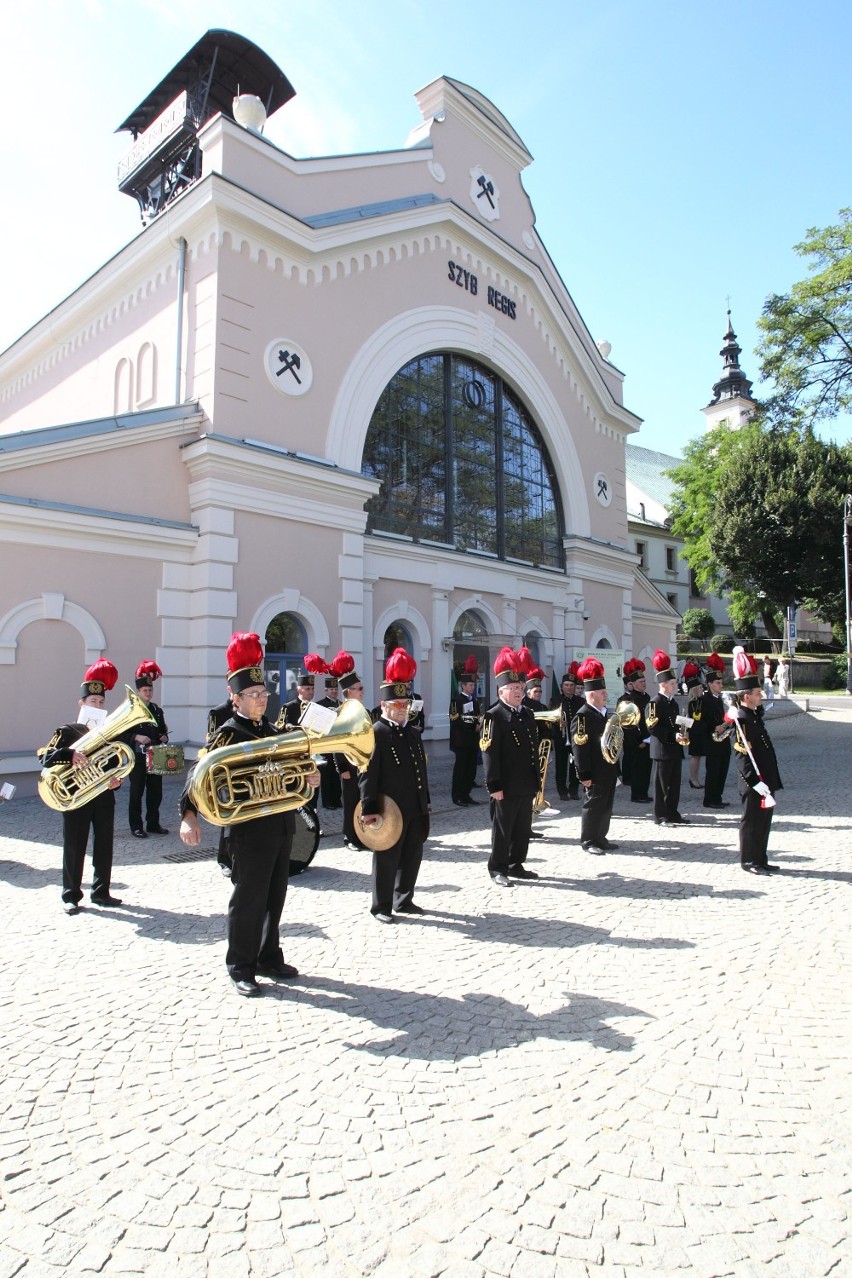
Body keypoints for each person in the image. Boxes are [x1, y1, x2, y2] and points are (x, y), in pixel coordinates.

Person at [179, 632, 319, 996]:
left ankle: (268, 955)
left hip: (280, 825)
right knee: (248, 898)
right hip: (248, 830)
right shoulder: (228, 734)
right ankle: (240, 964)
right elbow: (199, 775)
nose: (261, 700)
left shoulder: (273, 730)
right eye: (253, 696)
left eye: (263, 694)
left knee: (276, 893)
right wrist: (188, 815)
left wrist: (310, 776)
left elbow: (294, 773)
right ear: (235, 698)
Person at [38, 659, 125, 915]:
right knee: (74, 845)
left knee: (104, 844)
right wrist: (69, 754)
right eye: (92, 702)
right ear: (82, 704)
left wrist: (115, 781)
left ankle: (101, 891)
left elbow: (114, 764)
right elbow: (45, 756)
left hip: (102, 796)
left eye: (100, 703)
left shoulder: (107, 734)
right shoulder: (67, 731)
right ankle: (71, 895)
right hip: (75, 798)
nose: (97, 706)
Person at [359, 648, 430, 921]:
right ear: (385, 705)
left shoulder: (412, 733)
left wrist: (425, 801)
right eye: (398, 705)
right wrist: (369, 808)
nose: (403, 709)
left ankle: (404, 898)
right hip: (388, 807)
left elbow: (419, 768)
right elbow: (367, 774)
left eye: (405, 704)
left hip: (413, 805)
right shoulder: (376, 734)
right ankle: (381, 905)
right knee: (387, 857)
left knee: (412, 855)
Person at [480, 647, 540, 886]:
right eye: (513, 688)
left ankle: (516, 863)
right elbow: (489, 753)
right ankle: (497, 867)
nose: (518, 692)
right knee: (503, 828)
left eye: (521, 688)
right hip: (504, 784)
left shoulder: (526, 714)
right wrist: (494, 785)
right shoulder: (493, 716)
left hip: (525, 782)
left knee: (523, 827)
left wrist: (536, 780)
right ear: (501, 690)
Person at [729, 647, 783, 875]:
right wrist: (754, 781)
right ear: (746, 695)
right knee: (751, 822)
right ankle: (748, 860)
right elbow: (742, 756)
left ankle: (761, 858)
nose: (761, 695)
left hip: (766, 778)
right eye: (758, 692)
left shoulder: (753, 715)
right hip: (753, 782)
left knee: (764, 821)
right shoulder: (740, 719)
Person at [571, 657, 621, 854]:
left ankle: (601, 837)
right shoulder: (582, 716)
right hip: (594, 770)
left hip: (608, 768)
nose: (606, 694)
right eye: (602, 692)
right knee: (593, 805)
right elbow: (579, 748)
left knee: (606, 805)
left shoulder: (603, 713)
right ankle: (589, 840)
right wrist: (584, 774)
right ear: (592, 695)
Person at [124, 660, 170, 838]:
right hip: (137, 755)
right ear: (138, 691)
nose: (148, 693)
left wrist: (164, 736)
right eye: (145, 690)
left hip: (155, 755)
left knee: (155, 792)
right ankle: (136, 826)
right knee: (136, 792)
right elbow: (123, 733)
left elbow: (161, 730)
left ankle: (153, 823)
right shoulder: (131, 710)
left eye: (150, 690)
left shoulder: (156, 710)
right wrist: (136, 737)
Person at [648, 649, 689, 827]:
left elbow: (675, 722)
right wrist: (673, 735)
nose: (675, 686)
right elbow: (653, 727)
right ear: (663, 684)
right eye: (672, 683)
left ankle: (672, 812)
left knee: (674, 784)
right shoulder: (654, 702)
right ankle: (660, 815)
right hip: (662, 750)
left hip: (675, 747)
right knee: (661, 785)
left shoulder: (672, 702)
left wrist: (684, 728)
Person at [334, 653, 368, 851]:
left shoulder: (360, 709)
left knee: (362, 800)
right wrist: (342, 768)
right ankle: (350, 837)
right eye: (359, 689)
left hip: (362, 764)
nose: (362, 691)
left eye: (362, 688)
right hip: (348, 765)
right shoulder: (340, 712)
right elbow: (337, 742)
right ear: (348, 691)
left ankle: (363, 835)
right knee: (349, 802)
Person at [617, 658, 652, 803]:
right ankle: (637, 795)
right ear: (634, 684)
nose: (643, 683)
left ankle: (644, 792)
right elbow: (628, 724)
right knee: (637, 769)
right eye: (640, 682)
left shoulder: (647, 697)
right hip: (637, 741)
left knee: (646, 769)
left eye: (644, 681)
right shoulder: (630, 700)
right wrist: (639, 741)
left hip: (648, 738)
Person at [449, 654, 482, 807]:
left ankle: (466, 794)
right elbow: (455, 719)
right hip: (461, 739)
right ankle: (457, 796)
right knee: (461, 769)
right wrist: (472, 725)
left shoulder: (474, 701)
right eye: (470, 685)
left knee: (470, 770)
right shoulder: (457, 700)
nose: (472, 688)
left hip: (472, 740)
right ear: (463, 685)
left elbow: (477, 716)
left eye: (473, 685)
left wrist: (479, 722)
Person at [701, 652, 731, 809]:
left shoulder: (719, 699)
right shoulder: (704, 700)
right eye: (718, 683)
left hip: (723, 741)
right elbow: (700, 722)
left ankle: (717, 797)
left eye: (721, 682)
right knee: (713, 772)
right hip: (712, 742)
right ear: (710, 684)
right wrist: (714, 727)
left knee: (722, 771)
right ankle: (709, 799)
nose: (721, 685)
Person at [553, 664, 583, 801]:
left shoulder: (581, 701)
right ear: (562, 686)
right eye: (566, 685)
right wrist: (558, 722)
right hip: (561, 737)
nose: (569, 687)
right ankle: (562, 790)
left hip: (576, 738)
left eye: (571, 685)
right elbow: (550, 718)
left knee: (575, 764)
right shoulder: (555, 700)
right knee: (561, 765)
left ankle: (574, 789)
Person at [317, 665, 343, 811]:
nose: (334, 691)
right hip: (326, 743)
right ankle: (327, 801)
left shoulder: (341, 704)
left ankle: (337, 799)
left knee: (337, 772)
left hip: (338, 743)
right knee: (327, 775)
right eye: (331, 689)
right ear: (326, 690)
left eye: (335, 689)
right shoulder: (320, 705)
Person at [683, 661, 705, 792]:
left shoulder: (698, 701)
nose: (702, 689)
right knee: (695, 756)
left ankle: (695, 778)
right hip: (696, 732)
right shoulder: (694, 702)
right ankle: (693, 778)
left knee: (698, 756)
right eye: (700, 687)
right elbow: (697, 718)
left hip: (698, 731)